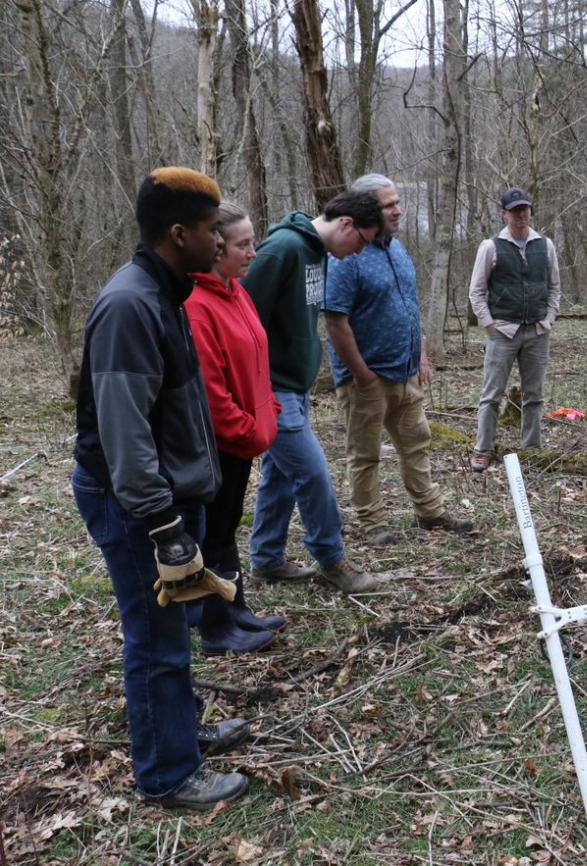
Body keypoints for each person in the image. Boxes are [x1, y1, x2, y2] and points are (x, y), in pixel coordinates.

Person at [72, 167, 251, 809]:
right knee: (154, 636)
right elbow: (124, 435)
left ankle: (182, 732)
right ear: (178, 234)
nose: (219, 240)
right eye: (210, 231)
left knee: (172, 630)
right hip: (138, 505)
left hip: (169, 497)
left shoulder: (166, 292)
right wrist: (163, 526)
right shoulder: (131, 305)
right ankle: (168, 774)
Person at [242, 190, 384, 594]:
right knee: (313, 473)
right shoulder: (284, 248)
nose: (358, 252)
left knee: (280, 477)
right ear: (345, 224)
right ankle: (331, 559)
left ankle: (266, 559)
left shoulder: (317, 253)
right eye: (361, 240)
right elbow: (243, 316)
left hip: (295, 386)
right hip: (272, 388)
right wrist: (257, 386)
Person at [323, 174, 473, 545]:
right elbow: (334, 319)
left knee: (416, 443)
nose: (398, 210)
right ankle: (372, 521)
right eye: (389, 204)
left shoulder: (397, 248)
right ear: (368, 209)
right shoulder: (348, 255)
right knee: (365, 453)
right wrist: (361, 373)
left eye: (397, 202)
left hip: (406, 373)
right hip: (366, 378)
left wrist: (420, 355)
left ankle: (430, 511)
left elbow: (411, 305)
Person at [185, 201, 287, 654]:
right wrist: (247, 431)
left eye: (253, 242)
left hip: (245, 442)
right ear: (216, 247)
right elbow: (211, 392)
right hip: (222, 446)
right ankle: (215, 627)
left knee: (226, 532)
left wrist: (270, 411)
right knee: (212, 535)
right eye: (243, 244)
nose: (253, 252)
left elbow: (256, 362)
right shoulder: (198, 303)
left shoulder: (237, 291)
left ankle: (236, 610)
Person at [467, 186, 562, 472]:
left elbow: (555, 286)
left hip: (537, 331)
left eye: (525, 209)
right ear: (504, 213)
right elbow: (476, 291)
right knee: (491, 396)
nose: (521, 215)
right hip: (503, 333)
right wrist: (489, 324)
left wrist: (548, 319)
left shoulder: (544, 245)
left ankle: (531, 449)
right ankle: (482, 449)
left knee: (534, 395)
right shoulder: (491, 246)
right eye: (515, 210)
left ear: (530, 211)